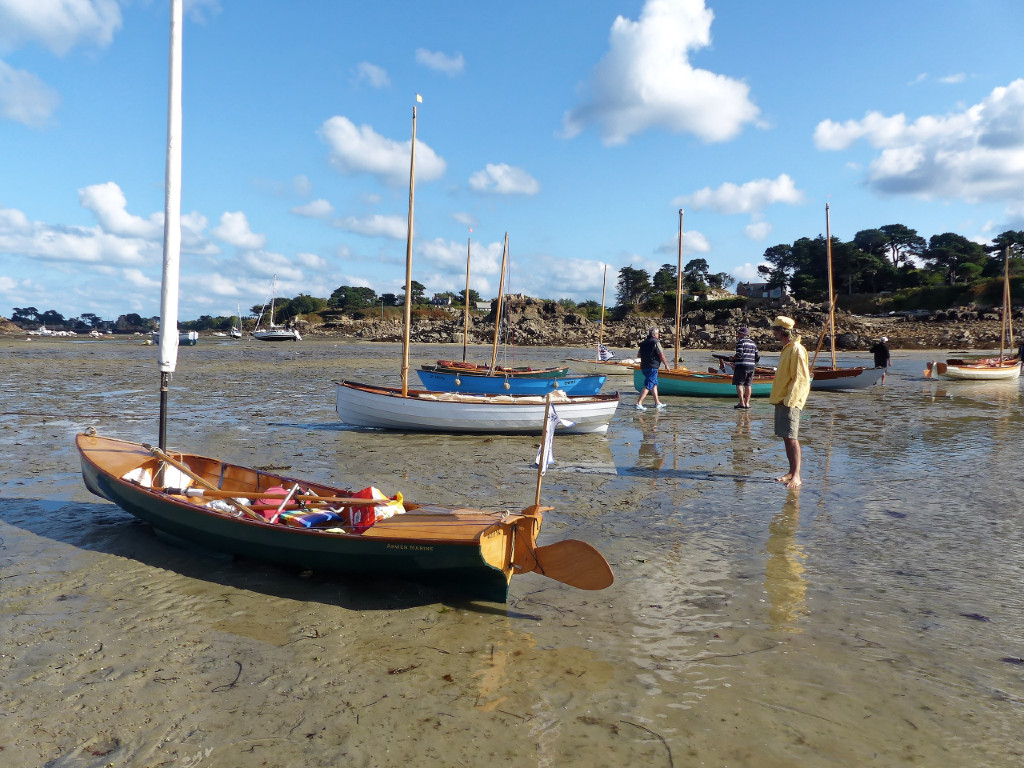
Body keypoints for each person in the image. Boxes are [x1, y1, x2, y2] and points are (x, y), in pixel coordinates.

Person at [768, 316, 811, 489]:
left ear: (781, 331)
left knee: (792, 438)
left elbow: (801, 378)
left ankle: (797, 476)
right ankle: (791, 472)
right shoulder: (787, 348)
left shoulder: (797, 349)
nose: (773, 332)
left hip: (790, 401)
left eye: (774, 329)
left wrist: (790, 401)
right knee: (786, 437)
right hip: (782, 399)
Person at [635, 327, 668, 411]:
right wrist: (666, 365)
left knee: (654, 384)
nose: (658, 335)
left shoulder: (643, 343)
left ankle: (657, 403)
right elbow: (661, 355)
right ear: (654, 334)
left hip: (644, 366)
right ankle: (639, 403)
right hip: (652, 367)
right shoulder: (656, 342)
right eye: (658, 334)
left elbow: (639, 355)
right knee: (648, 385)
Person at [729, 326, 759, 409]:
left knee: (739, 384)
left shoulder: (740, 342)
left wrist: (732, 358)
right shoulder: (753, 343)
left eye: (739, 333)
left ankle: (741, 403)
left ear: (742, 334)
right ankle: (747, 403)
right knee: (748, 385)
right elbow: (757, 357)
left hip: (742, 366)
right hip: (751, 366)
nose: (738, 335)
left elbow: (739, 354)